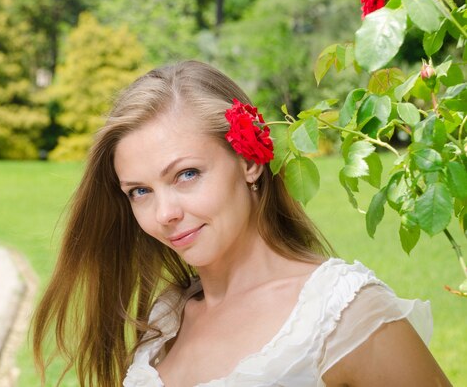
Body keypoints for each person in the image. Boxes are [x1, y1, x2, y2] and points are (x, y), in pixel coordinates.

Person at [32, 61, 451, 387]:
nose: (164, 214)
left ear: (249, 160)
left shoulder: (342, 313)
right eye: (140, 191)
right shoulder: (165, 321)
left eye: (187, 174)